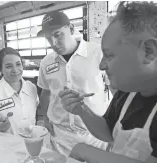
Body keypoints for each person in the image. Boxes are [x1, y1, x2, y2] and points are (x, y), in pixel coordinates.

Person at [59, 1, 157, 163]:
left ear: (148, 52)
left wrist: (85, 151)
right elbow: (107, 132)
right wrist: (81, 109)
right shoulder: (128, 92)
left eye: (109, 55)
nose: (101, 65)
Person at [36, 10, 109, 156]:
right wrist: (41, 116)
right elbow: (45, 92)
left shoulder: (97, 53)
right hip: (60, 137)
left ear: (71, 29)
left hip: (94, 136)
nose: (53, 43)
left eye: (57, 34)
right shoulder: (46, 62)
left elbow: (115, 88)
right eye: (48, 38)